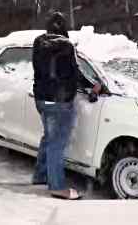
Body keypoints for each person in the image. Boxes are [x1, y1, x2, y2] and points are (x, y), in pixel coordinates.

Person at [31, 11, 100, 200]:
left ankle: (41, 175)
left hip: (41, 99)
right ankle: (57, 186)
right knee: (56, 144)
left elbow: (38, 69)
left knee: (48, 137)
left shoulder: (38, 43)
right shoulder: (67, 46)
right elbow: (75, 73)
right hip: (60, 101)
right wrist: (93, 86)